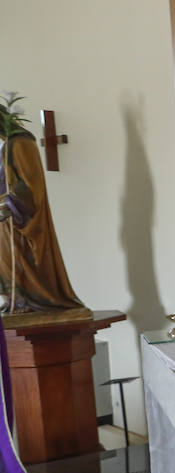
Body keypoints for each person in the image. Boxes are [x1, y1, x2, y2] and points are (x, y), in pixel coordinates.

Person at [0, 93, 86, 316]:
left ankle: (30, 299)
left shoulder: (21, 143)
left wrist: (7, 205)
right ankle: (15, 299)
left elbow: (31, 186)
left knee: (22, 262)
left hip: (20, 223)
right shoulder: (5, 146)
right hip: (5, 222)